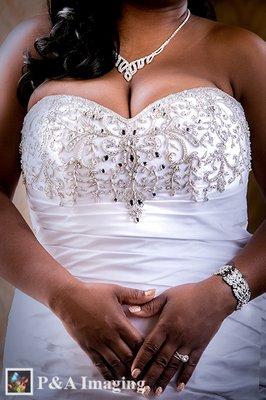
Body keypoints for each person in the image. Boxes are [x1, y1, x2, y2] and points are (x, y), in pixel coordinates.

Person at [0, 0, 265, 398]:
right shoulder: (35, 45)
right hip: (52, 341)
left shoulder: (243, 52)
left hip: (216, 345)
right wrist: (64, 297)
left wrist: (220, 296)